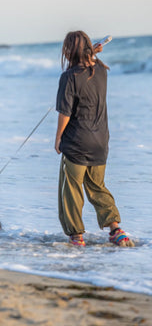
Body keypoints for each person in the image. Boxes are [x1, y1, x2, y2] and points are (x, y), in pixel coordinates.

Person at [55, 30, 133, 247]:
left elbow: (65, 113)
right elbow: (90, 65)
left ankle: (76, 235)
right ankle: (116, 229)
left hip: (77, 142)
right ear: (89, 49)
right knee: (97, 186)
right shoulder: (101, 70)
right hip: (100, 141)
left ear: (69, 51)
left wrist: (58, 138)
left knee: (71, 188)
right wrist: (92, 55)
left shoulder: (68, 77)